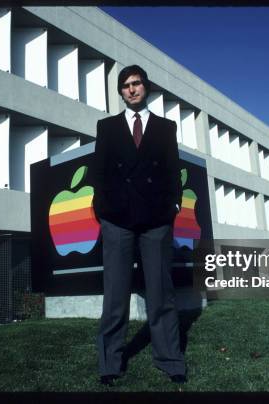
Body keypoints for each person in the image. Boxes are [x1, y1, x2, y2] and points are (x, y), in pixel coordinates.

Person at [91, 65, 187, 386]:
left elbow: (174, 171)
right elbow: (99, 174)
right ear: (120, 91)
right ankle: (110, 362)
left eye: (137, 84)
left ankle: (170, 359)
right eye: (125, 85)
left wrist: (173, 205)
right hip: (117, 220)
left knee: (161, 294)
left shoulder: (165, 127)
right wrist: (104, 210)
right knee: (115, 295)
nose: (131, 89)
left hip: (156, 220)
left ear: (146, 88)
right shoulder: (106, 127)